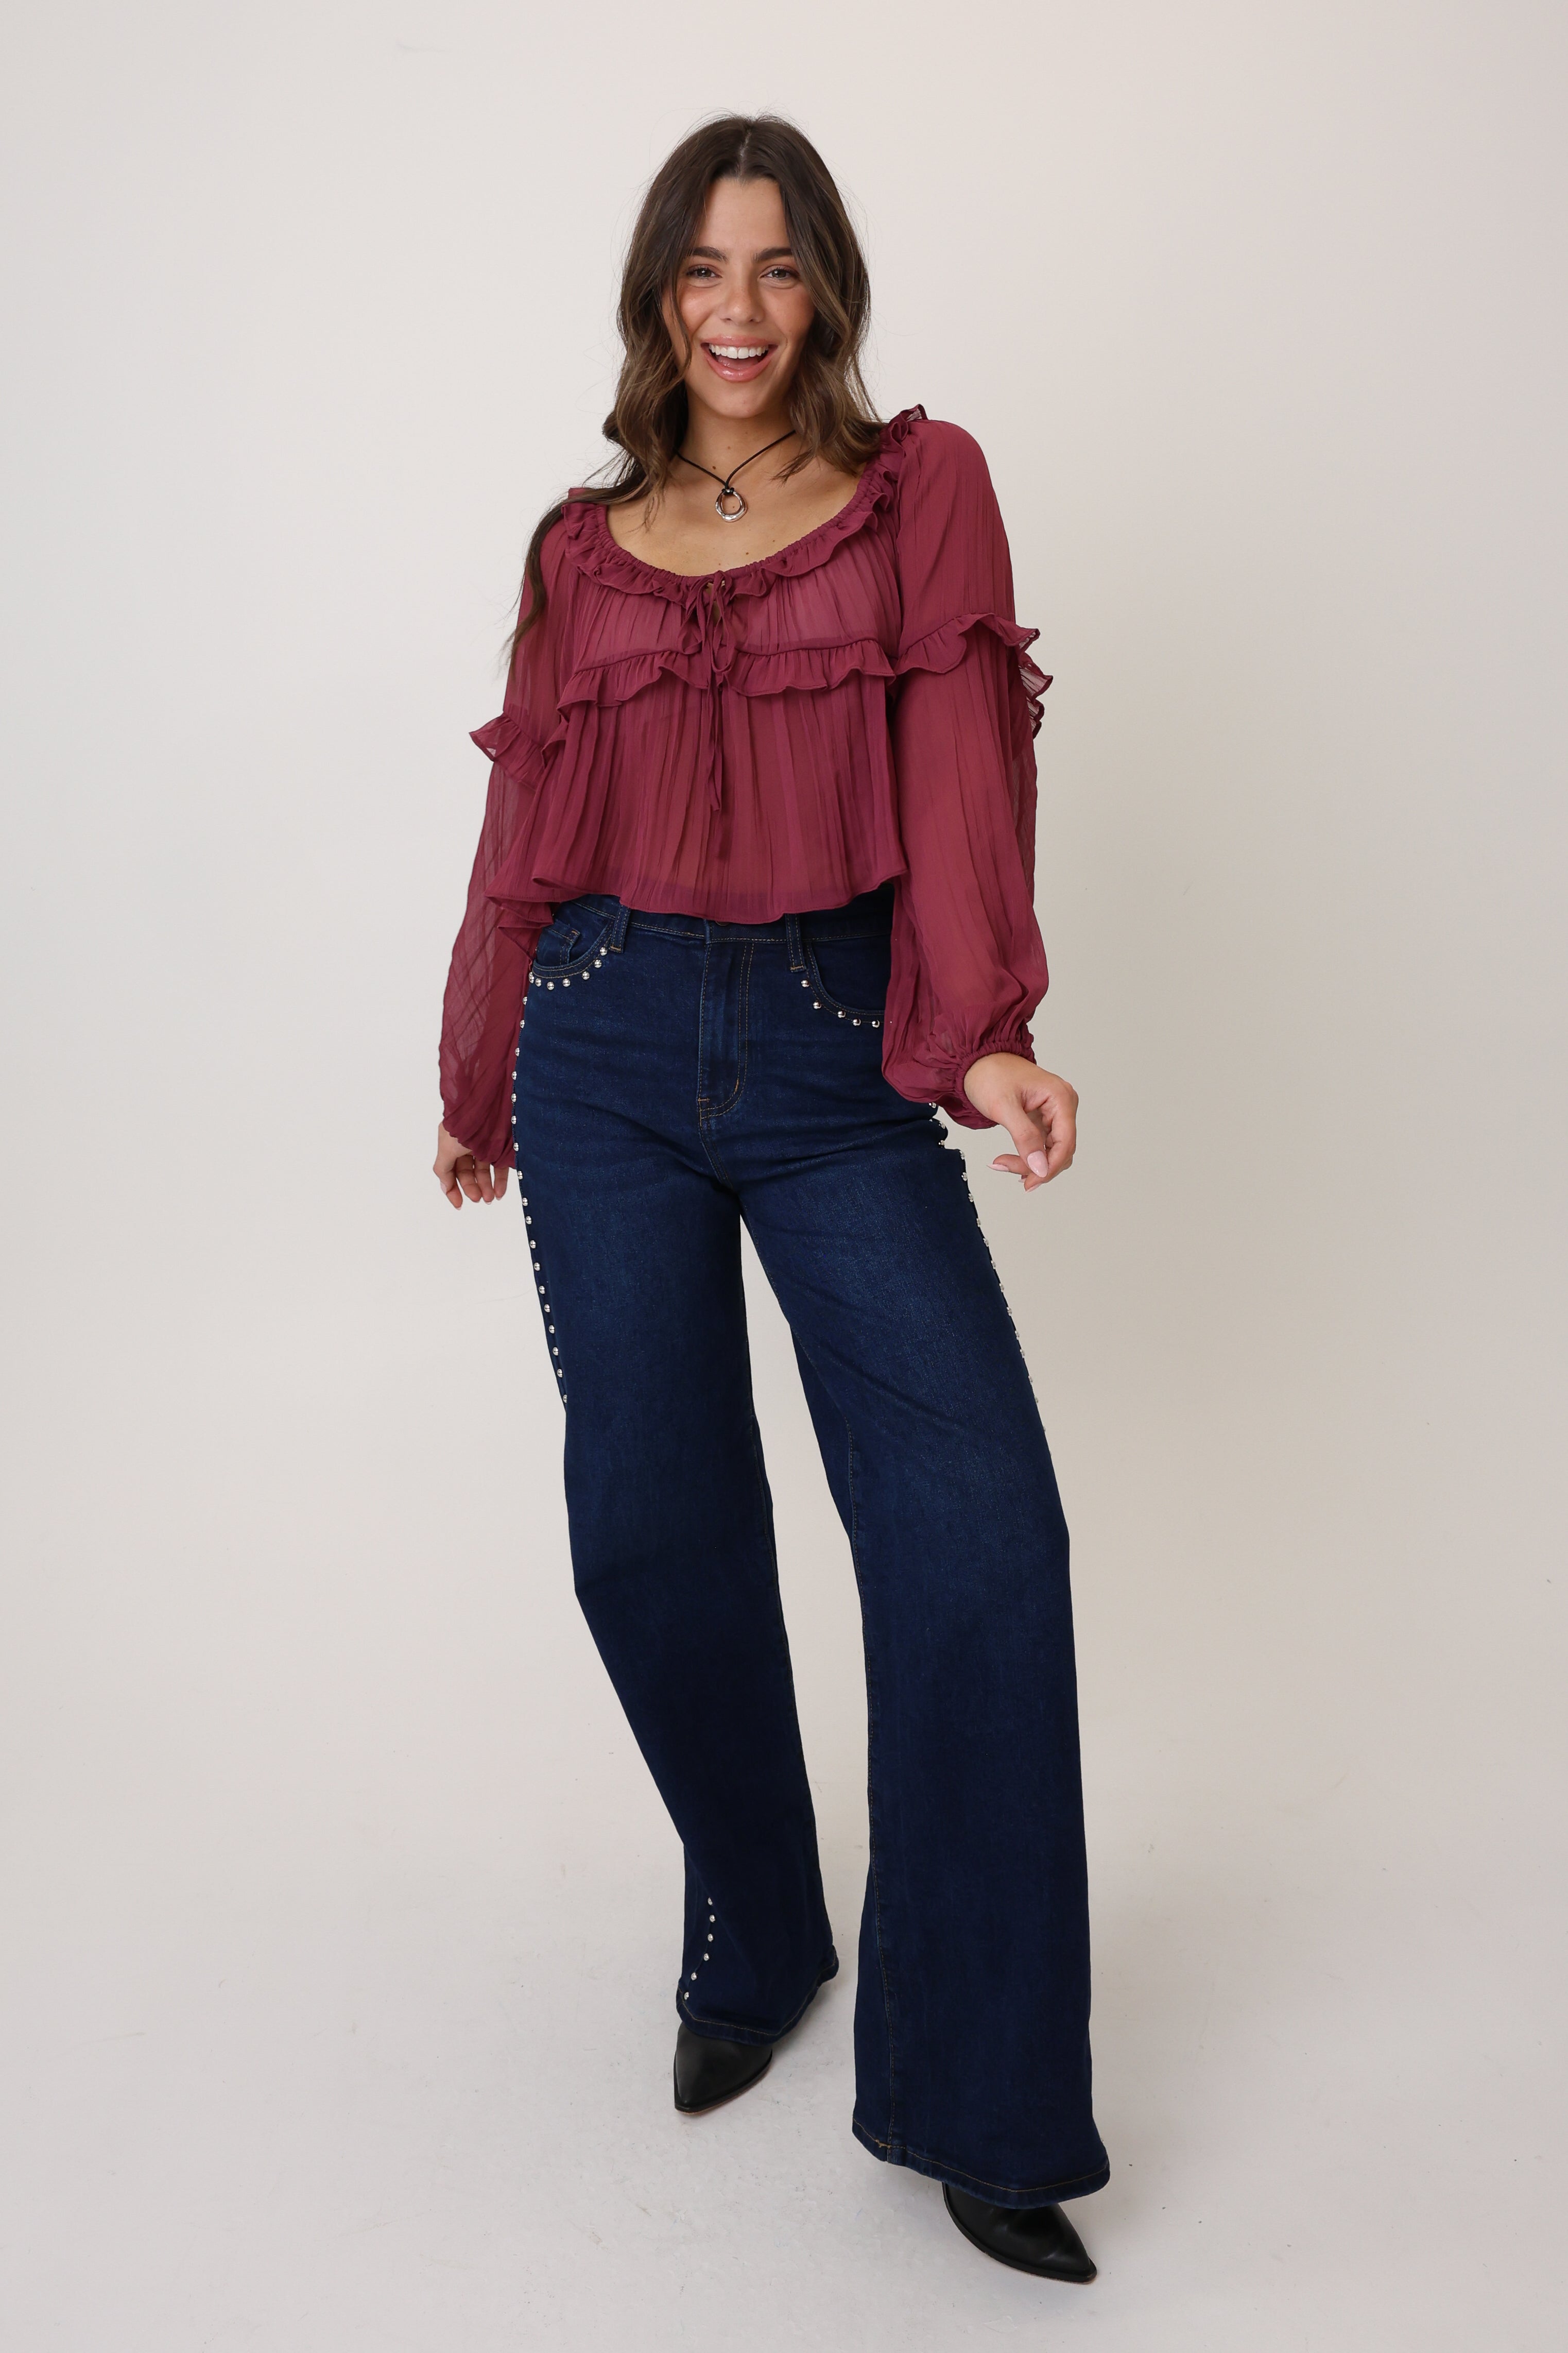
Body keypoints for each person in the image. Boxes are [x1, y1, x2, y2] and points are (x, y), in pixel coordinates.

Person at [434, 113, 1108, 2283]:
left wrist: (976, 1025)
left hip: (836, 1049)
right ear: (653, 292)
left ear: (828, 291)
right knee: (649, 1513)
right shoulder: (579, 545)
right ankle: (758, 1905)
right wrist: (480, 1066)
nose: (737, 309)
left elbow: (957, 772)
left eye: (780, 267)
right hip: (607, 1034)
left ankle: (985, 2088)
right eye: (701, 270)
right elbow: (527, 831)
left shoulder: (921, 491)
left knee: (977, 1527)